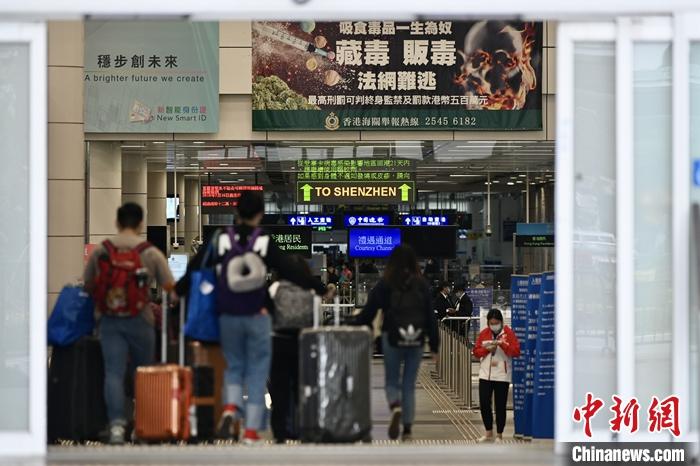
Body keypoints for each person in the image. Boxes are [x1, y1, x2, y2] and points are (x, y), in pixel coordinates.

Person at [176, 191, 287, 444]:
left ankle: (230, 408)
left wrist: (178, 291)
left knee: (234, 366)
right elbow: (289, 267)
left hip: (227, 316)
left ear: (236, 211)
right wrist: (319, 288)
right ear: (260, 213)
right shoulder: (263, 240)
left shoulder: (220, 238)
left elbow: (195, 266)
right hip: (257, 316)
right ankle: (250, 431)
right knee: (258, 371)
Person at [83, 202, 176, 445]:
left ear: (117, 222)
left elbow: (88, 285)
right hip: (141, 320)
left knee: (113, 373)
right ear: (140, 223)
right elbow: (170, 289)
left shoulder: (101, 251)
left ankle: (116, 427)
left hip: (109, 320)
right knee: (142, 373)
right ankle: (143, 427)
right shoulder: (150, 252)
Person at [354, 245, 439, 441]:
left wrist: (350, 323)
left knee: (392, 381)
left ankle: (395, 405)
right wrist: (434, 345)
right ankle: (407, 430)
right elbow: (430, 317)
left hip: (391, 337)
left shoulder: (386, 283)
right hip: (416, 339)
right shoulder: (421, 284)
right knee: (408, 385)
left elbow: (369, 313)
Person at [268, 255, 331, 444]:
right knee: (303, 389)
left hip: (278, 342)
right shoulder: (312, 291)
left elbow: (269, 316)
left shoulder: (275, 288)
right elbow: (316, 321)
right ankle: (305, 429)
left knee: (279, 390)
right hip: (304, 343)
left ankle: (279, 432)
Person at [473, 308, 521, 443]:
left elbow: (516, 351)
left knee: (500, 405)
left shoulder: (508, 333)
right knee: (484, 402)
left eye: (496, 323)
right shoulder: (484, 333)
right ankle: (488, 432)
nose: (493, 325)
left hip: (502, 375)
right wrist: (486, 349)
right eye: (491, 323)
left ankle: (499, 434)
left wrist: (503, 345)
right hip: (485, 374)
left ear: (501, 322)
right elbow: (476, 352)